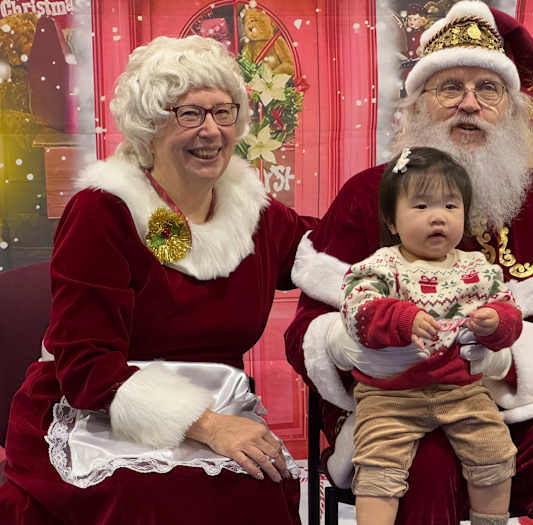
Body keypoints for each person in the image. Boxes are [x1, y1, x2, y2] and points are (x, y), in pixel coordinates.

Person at [285, 2, 533, 524]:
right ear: (417, 106)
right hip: (398, 403)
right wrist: (357, 342)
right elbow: (303, 336)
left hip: (525, 407)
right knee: (423, 473)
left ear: (513, 109)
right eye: (449, 87)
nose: (468, 104)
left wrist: (503, 359)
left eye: (487, 89)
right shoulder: (368, 196)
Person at [0, 35, 314, 524]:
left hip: (216, 403)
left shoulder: (254, 212)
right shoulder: (102, 211)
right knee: (154, 503)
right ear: (149, 126)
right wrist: (210, 427)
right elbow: (86, 367)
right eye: (188, 114)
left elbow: (329, 249)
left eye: (223, 112)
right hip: (100, 408)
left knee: (262, 490)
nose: (210, 130)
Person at [342, 146, 521, 525]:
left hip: (463, 390)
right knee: (378, 465)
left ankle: (492, 520)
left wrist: (496, 322)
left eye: (450, 207)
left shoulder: (479, 268)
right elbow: (357, 310)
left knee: (496, 451)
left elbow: (510, 313)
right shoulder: (382, 265)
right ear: (392, 221)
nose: (437, 217)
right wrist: (403, 318)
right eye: (421, 207)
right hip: (391, 394)